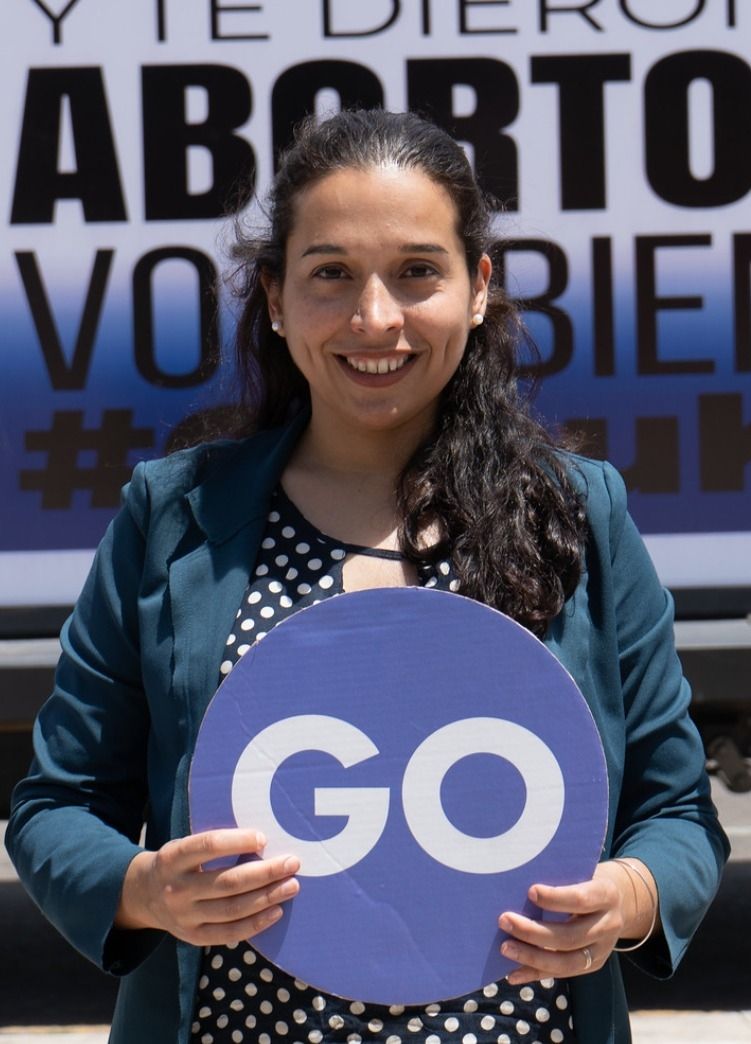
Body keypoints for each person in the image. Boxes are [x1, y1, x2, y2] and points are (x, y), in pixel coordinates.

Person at [6, 109, 728, 1044]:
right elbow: (57, 805)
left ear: (478, 289)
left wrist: (627, 896)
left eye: (417, 271)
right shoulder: (175, 517)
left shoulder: (575, 513)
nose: (374, 318)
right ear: (274, 297)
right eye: (331, 274)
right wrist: (143, 889)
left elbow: (675, 814)